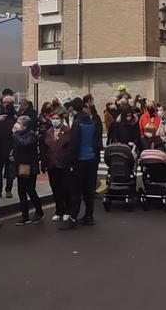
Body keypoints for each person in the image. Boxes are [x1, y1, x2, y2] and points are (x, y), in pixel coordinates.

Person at [62, 97, 103, 231]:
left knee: (75, 191)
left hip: (80, 159)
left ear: (73, 109)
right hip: (91, 158)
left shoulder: (77, 122)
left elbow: (74, 143)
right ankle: (89, 216)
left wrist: (69, 160)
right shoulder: (91, 120)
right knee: (88, 190)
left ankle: (73, 218)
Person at [42, 106, 75, 223]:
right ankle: (58, 210)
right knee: (55, 188)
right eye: (53, 118)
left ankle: (67, 210)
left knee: (65, 187)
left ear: (61, 119)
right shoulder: (48, 132)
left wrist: (71, 162)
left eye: (57, 118)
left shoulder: (68, 131)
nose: (54, 121)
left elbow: (71, 148)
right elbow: (45, 148)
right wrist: (44, 163)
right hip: (52, 164)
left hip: (64, 164)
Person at [9, 116, 43, 225]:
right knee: (21, 191)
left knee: (30, 190)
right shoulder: (18, 135)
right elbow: (16, 148)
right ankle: (25, 215)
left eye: (19, 123)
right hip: (20, 165)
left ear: (25, 125)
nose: (16, 124)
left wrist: (14, 135)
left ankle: (39, 211)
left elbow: (25, 144)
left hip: (29, 166)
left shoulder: (31, 135)